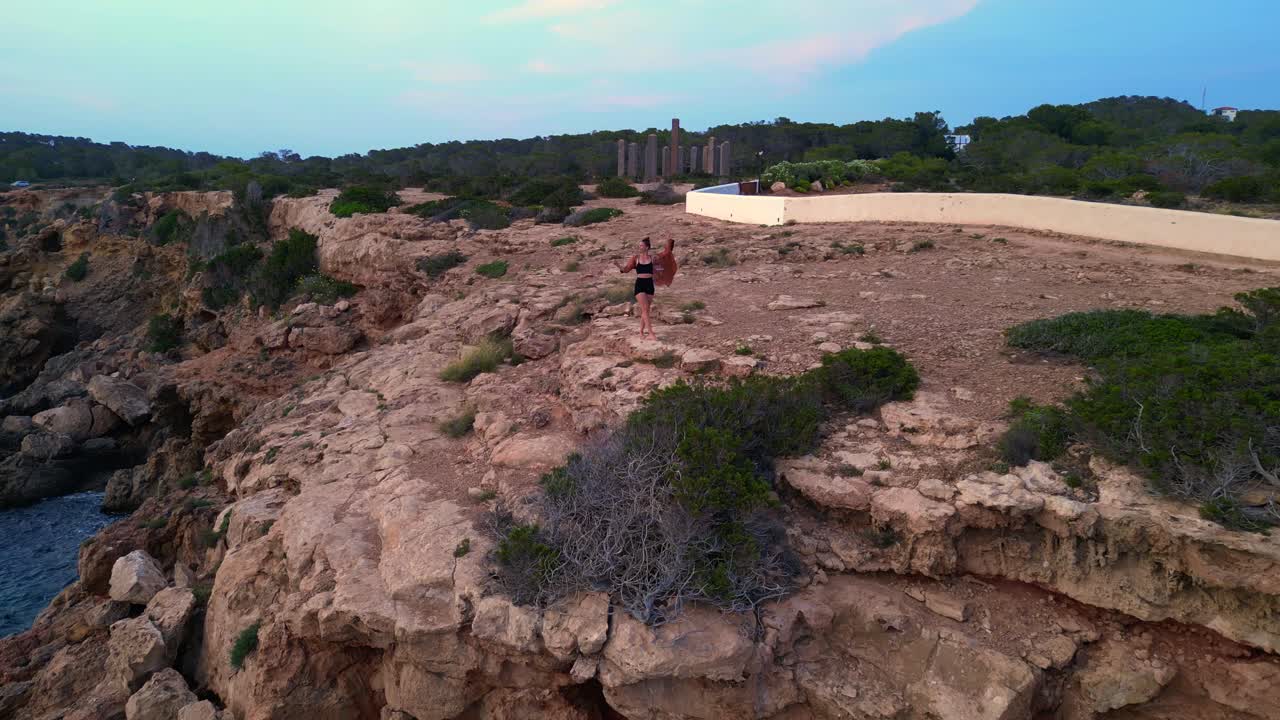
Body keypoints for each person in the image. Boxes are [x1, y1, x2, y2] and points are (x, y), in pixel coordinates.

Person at [616, 237, 659, 340]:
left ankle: (641, 332)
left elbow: (659, 268)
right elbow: (626, 270)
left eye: (641, 246)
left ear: (647, 247)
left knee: (646, 310)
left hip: (650, 284)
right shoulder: (635, 258)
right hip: (640, 284)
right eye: (639, 246)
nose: (639, 247)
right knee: (644, 308)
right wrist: (618, 266)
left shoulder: (652, 258)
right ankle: (651, 333)